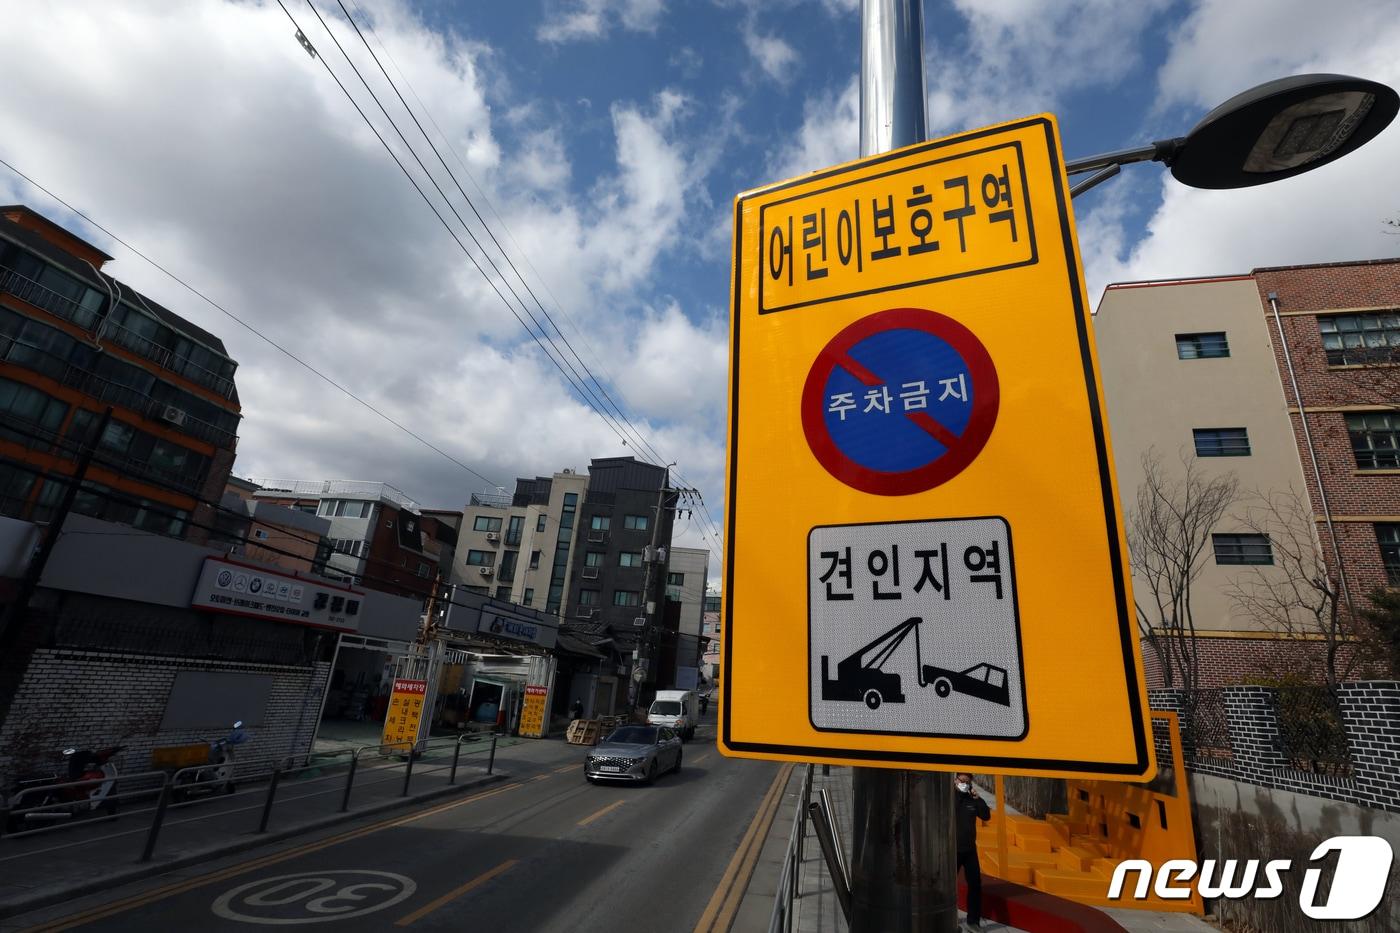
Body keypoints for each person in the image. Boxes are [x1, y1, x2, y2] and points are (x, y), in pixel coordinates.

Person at [954, 772, 991, 930]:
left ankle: (973, 921)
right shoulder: (950, 797)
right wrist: (957, 792)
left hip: (969, 850)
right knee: (947, 886)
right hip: (952, 850)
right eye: (962, 781)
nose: (965, 784)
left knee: (975, 884)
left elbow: (986, 815)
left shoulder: (972, 799)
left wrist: (978, 799)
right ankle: (948, 917)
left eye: (967, 782)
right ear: (956, 780)